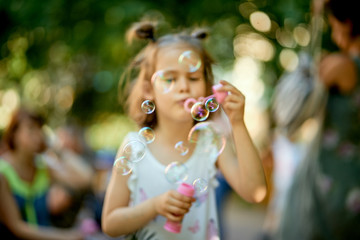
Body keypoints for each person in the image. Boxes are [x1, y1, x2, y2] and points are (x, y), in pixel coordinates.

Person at [101, 21, 267, 239]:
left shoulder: (211, 140)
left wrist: (238, 123)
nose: (183, 87)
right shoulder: (134, 146)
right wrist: (154, 206)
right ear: (149, 89)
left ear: (207, 87)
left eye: (193, 78)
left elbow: (255, 192)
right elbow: (110, 224)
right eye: (170, 78)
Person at [276, 0, 360, 239]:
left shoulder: (341, 67)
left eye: (334, 26)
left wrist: (316, 18)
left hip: (331, 181)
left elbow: (291, 109)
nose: (333, 36)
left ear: (347, 25)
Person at [0, 107, 83, 240]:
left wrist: (56, 148)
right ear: (14, 134)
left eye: (40, 129)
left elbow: (84, 179)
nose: (37, 134)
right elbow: (16, 226)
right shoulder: (2, 172)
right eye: (31, 128)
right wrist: (66, 236)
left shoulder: (43, 167)